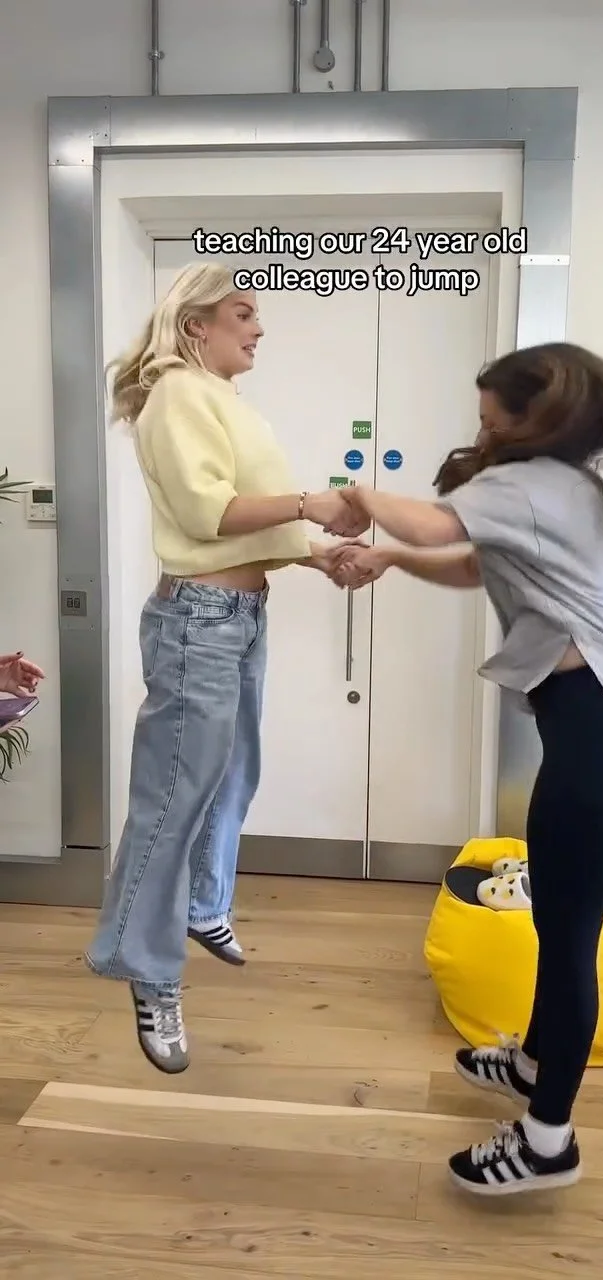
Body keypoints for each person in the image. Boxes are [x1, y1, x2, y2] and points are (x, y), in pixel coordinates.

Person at [326, 341, 603, 1197]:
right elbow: (473, 562)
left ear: (539, 419)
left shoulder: (531, 482)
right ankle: (530, 1064)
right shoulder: (555, 485)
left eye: (494, 420)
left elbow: (433, 525)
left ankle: (548, 1142)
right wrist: (390, 558)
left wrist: (356, 498)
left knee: (568, 936)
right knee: (559, 920)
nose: (482, 432)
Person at [85, 263, 368, 1074]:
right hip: (198, 624)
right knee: (172, 798)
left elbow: (239, 525)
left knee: (232, 775)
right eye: (243, 313)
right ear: (194, 324)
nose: (259, 328)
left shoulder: (222, 398)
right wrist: (310, 504)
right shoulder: (178, 392)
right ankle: (145, 967)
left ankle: (202, 904)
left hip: (237, 617)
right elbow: (207, 513)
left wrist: (316, 555)